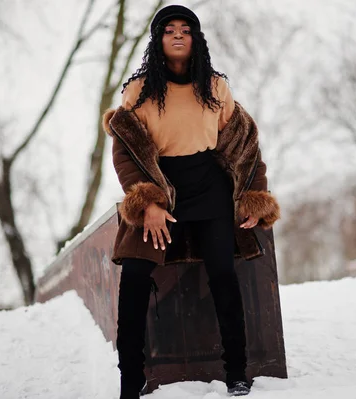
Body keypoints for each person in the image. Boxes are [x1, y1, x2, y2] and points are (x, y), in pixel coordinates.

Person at [102, 5, 280, 398]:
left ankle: (237, 373)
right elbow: (126, 150)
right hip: (159, 188)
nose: (179, 35)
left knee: (223, 275)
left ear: (196, 39)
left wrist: (253, 197)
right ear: (158, 40)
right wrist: (147, 202)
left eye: (187, 29)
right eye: (170, 30)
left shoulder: (215, 87)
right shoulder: (139, 91)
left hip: (209, 189)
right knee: (133, 277)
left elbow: (244, 145)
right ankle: (130, 379)